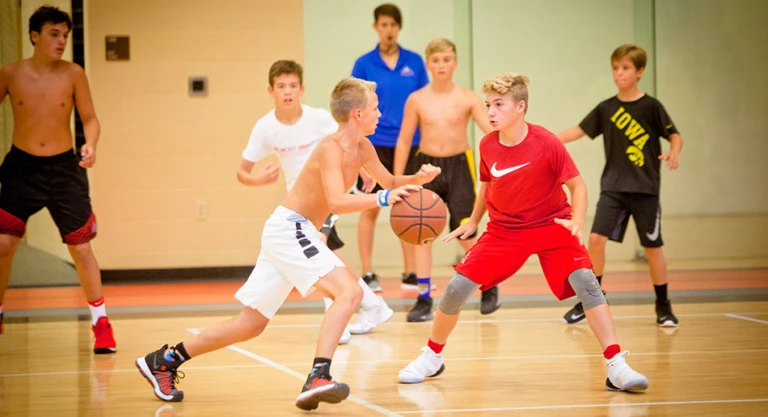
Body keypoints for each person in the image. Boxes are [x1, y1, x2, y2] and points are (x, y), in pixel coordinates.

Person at [136, 77, 441, 410]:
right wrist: (383, 198)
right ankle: (319, 375)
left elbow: (392, 181)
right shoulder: (330, 149)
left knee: (249, 325)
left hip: (292, 232)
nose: (380, 114)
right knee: (349, 292)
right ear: (357, 114)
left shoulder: (363, 147)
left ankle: (164, 360)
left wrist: (416, 180)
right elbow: (338, 201)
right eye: (374, 108)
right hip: (290, 229)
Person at [397, 73, 648, 393]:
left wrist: (578, 221)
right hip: (505, 230)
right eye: (488, 105)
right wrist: (473, 220)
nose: (490, 112)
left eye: (499, 105)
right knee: (456, 288)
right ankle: (432, 356)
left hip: (552, 223)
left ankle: (616, 365)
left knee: (587, 284)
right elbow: (486, 186)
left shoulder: (547, 143)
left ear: (520, 107)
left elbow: (578, 186)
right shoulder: (488, 144)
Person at [238, 60, 394, 342]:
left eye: (293, 86)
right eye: (281, 86)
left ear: (302, 89)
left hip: (325, 199)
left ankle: (351, 310)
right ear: (270, 91)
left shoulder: (318, 118)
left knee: (325, 255)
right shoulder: (265, 127)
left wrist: (362, 167)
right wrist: (258, 179)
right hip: (300, 206)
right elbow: (242, 172)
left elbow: (348, 138)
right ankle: (368, 305)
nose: (288, 91)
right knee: (327, 256)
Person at [0, 6, 115, 353]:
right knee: (3, 245)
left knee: (80, 248)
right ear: (34, 36)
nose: (61, 41)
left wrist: (91, 145)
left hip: (64, 170)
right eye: (54, 34)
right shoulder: (10, 73)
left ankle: (102, 324)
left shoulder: (73, 73)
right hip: (21, 169)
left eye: (64, 35)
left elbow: (91, 118)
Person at [558, 44, 682, 327]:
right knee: (595, 240)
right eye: (615, 68)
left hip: (645, 189)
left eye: (625, 68)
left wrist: (675, 150)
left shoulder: (652, 107)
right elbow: (578, 131)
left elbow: (675, 135)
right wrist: (546, 140)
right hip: (613, 188)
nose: (619, 73)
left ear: (639, 72)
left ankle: (663, 305)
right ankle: (592, 298)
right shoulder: (606, 108)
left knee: (652, 248)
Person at [392, 38, 497, 322]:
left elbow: (491, 133)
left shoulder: (468, 97)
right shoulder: (417, 99)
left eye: (447, 59)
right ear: (428, 64)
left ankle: (488, 285)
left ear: (455, 63)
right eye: (436, 60)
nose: (441, 65)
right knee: (421, 232)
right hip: (425, 167)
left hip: (460, 166)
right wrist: (396, 180)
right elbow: (403, 141)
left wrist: (504, 165)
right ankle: (423, 297)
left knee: (466, 231)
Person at [351, 3, 429, 292]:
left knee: (408, 206)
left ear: (399, 28)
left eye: (393, 25)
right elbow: (354, 106)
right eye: (383, 25)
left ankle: (411, 272)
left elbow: (425, 102)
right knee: (369, 206)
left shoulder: (415, 62)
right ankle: (368, 272)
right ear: (376, 27)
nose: (388, 30)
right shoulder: (364, 64)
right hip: (374, 144)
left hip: (410, 145)